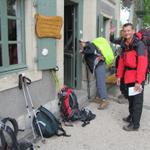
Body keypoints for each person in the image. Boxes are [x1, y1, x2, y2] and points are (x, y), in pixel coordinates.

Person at [116, 23, 148, 131]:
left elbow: (142, 64)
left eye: (129, 30)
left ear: (133, 31)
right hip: (128, 76)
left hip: (137, 77)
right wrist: (119, 76)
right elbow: (121, 61)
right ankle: (131, 116)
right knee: (131, 99)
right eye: (125, 31)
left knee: (137, 101)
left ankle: (135, 124)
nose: (127, 32)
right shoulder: (124, 44)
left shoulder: (139, 45)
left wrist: (139, 81)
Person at [79, 39, 109, 109]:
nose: (81, 44)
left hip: (100, 65)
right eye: (80, 43)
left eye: (81, 42)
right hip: (98, 66)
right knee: (98, 82)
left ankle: (104, 100)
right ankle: (99, 97)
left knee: (100, 83)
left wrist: (82, 51)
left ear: (85, 42)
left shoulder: (91, 44)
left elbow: (91, 51)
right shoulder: (87, 47)